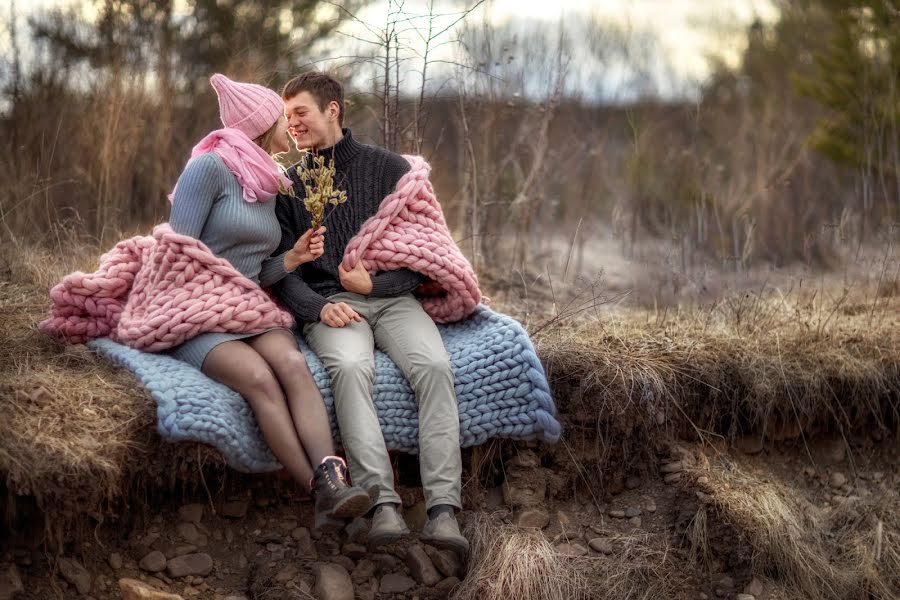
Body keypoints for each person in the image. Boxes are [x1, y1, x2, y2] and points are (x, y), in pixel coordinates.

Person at [272, 72, 468, 555]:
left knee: (435, 368)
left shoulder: (388, 168)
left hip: (396, 300)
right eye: (287, 115)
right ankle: (382, 504)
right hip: (331, 306)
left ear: (332, 110)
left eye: (302, 112)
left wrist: (374, 285)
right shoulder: (288, 185)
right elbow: (282, 272)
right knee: (351, 369)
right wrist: (320, 307)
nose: (292, 123)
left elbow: (423, 256)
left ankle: (444, 510)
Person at [166, 73, 372, 528]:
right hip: (198, 313)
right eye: (284, 118)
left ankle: (331, 476)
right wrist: (211, 303)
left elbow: (257, 269)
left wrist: (292, 259)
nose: (291, 126)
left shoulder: (267, 179)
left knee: (294, 366)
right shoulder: (209, 168)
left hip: (251, 307)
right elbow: (176, 251)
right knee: (259, 379)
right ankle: (320, 493)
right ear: (261, 123)